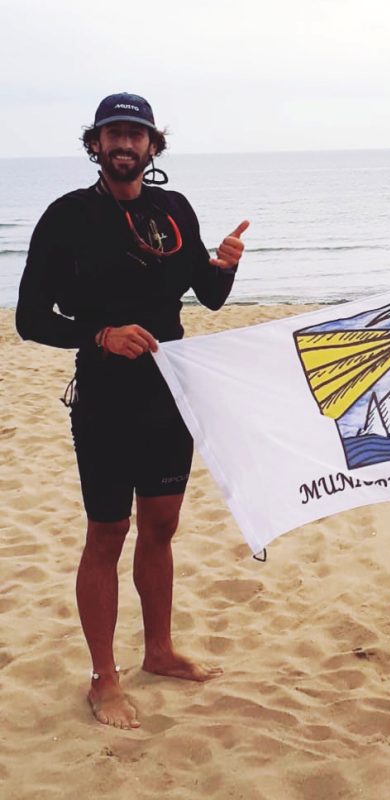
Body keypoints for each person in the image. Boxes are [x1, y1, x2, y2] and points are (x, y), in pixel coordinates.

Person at [16, 93, 249, 728]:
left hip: (169, 391)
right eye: (114, 133)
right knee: (107, 535)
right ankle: (104, 677)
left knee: (163, 527)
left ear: (153, 146)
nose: (125, 143)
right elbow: (29, 319)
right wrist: (99, 334)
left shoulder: (173, 210)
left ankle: (159, 651)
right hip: (104, 397)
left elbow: (210, 297)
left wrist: (224, 266)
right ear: (95, 144)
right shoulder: (67, 216)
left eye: (137, 134)